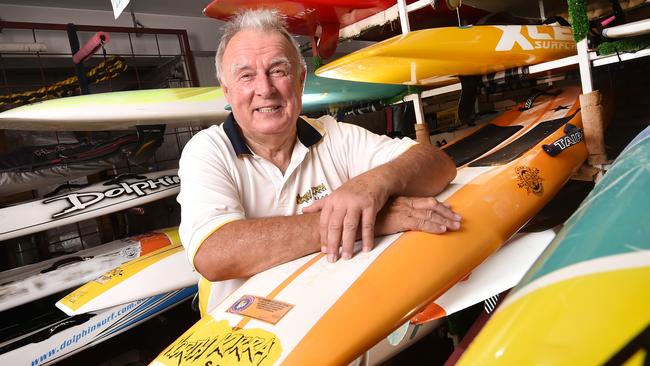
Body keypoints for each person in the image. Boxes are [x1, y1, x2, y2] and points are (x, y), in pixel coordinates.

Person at [177, 9, 461, 315]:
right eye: (246, 75)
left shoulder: (333, 134)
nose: (265, 89)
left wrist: (374, 183)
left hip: (332, 320)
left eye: (278, 71)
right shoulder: (207, 150)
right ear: (227, 89)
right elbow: (216, 253)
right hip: (245, 344)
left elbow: (439, 165)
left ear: (300, 81)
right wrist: (369, 220)